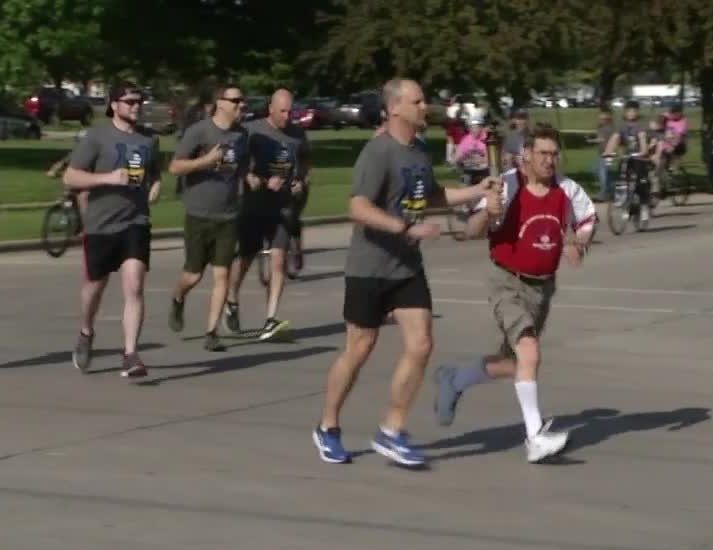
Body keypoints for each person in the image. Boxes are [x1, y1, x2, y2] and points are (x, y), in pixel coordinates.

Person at [311, 78, 497, 466]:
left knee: (421, 343)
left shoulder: (419, 152)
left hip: (406, 267)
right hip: (369, 267)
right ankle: (328, 426)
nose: (424, 105)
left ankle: (391, 430)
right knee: (359, 348)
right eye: (417, 100)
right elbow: (358, 208)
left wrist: (478, 190)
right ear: (395, 107)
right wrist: (405, 228)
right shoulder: (378, 153)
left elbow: (431, 197)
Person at [433, 124, 597, 462]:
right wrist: (487, 213)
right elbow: (472, 231)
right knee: (529, 350)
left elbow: (587, 219)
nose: (550, 161)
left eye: (554, 154)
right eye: (542, 154)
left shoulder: (567, 190)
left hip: (543, 287)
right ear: (526, 156)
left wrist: (578, 243)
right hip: (506, 280)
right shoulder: (505, 185)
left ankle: (455, 380)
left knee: (515, 363)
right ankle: (535, 437)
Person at [63, 85, 163, 378]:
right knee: (95, 287)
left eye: (139, 102)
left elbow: (154, 173)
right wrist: (108, 177)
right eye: (129, 102)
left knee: (134, 284)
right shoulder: (97, 136)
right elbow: (71, 176)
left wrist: (155, 186)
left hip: (136, 221)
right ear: (114, 104)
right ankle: (86, 330)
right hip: (101, 224)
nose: (136, 106)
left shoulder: (148, 139)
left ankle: (130, 353)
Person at [168, 84, 250, 352]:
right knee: (192, 276)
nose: (241, 106)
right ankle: (178, 298)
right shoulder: (199, 132)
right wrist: (205, 162)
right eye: (236, 101)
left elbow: (241, 168)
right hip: (198, 213)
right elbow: (175, 167)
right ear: (220, 103)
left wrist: (246, 186)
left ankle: (211, 331)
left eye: (242, 101)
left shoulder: (241, 135)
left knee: (222, 274)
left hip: (228, 215)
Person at [226, 88, 310, 340]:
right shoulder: (252, 130)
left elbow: (305, 166)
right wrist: (253, 178)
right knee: (246, 257)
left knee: (278, 259)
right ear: (270, 109)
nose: (287, 116)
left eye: (290, 111)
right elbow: (236, 163)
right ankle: (231, 299)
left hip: (283, 205)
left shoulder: (298, 134)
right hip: (255, 203)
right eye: (282, 111)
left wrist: (300, 183)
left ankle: (270, 319)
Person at [602, 100, 652, 222]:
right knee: (622, 175)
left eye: (634, 111)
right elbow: (615, 137)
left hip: (640, 157)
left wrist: (644, 150)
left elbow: (642, 137)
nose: (631, 113)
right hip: (628, 156)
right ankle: (621, 195)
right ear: (625, 112)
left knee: (641, 182)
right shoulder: (622, 125)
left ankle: (644, 206)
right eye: (629, 111)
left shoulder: (641, 124)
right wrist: (608, 152)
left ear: (637, 112)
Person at [593, 110, 616, 201]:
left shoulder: (610, 128)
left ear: (608, 119)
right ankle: (612, 188)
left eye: (603, 119)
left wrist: (591, 141)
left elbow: (602, 139)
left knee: (603, 174)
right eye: (600, 119)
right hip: (601, 153)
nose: (601, 120)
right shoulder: (601, 128)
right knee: (596, 171)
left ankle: (603, 194)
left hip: (608, 153)